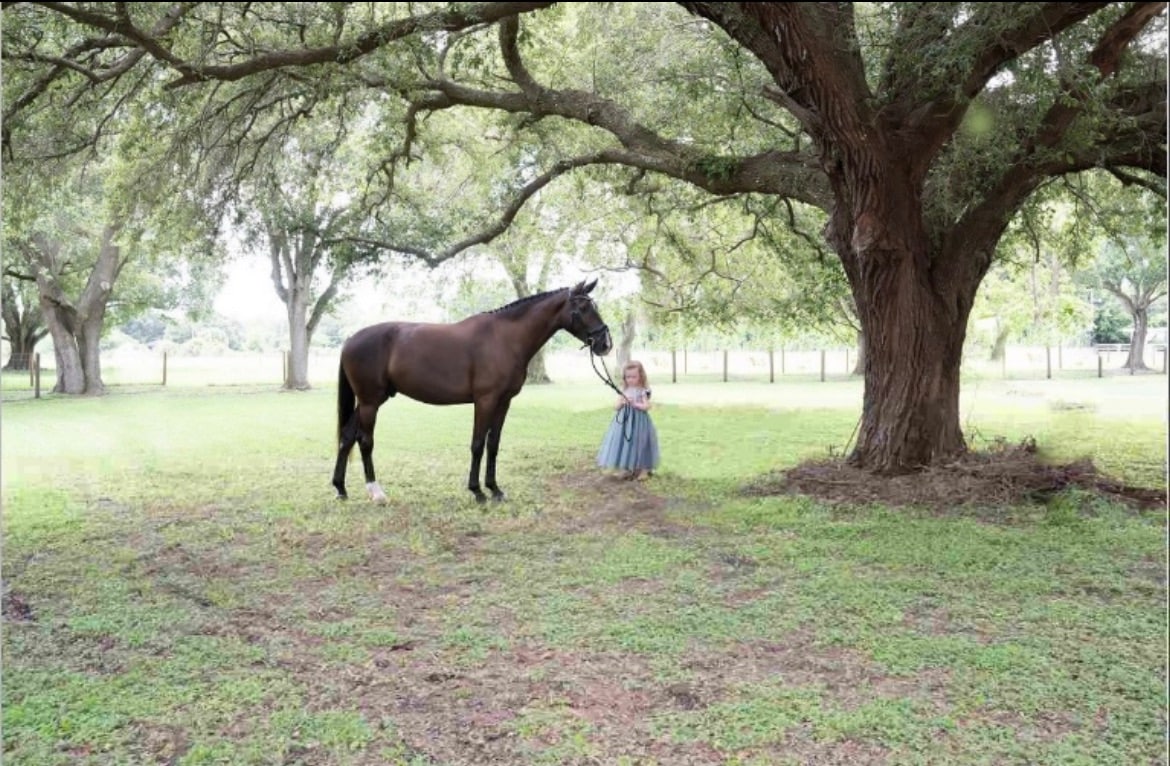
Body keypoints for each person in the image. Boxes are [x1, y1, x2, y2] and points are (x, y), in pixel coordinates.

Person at [597, 359, 660, 480]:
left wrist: (636, 404)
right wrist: (623, 402)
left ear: (641, 376)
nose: (630, 379)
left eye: (634, 377)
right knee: (625, 444)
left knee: (640, 443)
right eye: (628, 377)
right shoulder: (624, 390)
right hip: (624, 423)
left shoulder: (642, 391)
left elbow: (647, 406)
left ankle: (644, 470)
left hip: (639, 422)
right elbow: (615, 407)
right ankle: (626, 468)